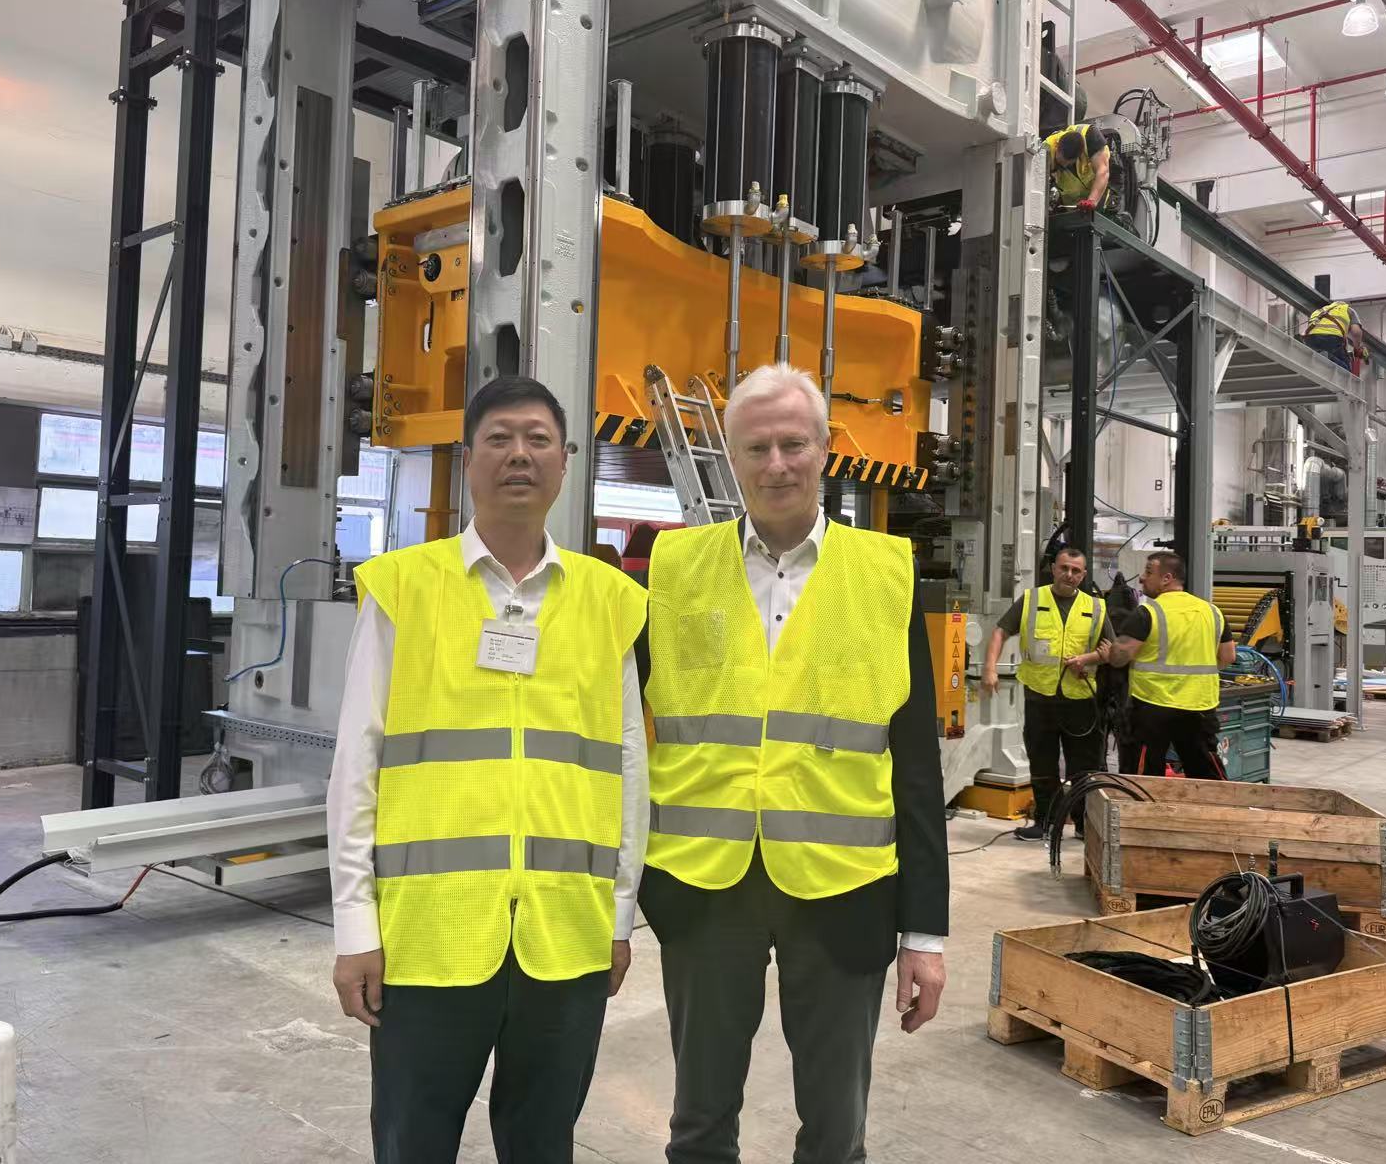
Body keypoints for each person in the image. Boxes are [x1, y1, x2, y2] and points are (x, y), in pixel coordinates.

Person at [327, 375, 649, 1164]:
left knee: (543, 1143)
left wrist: (618, 915)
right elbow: (357, 765)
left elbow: (628, 772)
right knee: (412, 1140)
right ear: (467, 458)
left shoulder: (609, 600)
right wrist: (355, 926)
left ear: (566, 462)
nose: (519, 455)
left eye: (538, 439)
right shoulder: (405, 588)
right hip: (429, 938)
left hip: (566, 936)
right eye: (499, 439)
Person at [638, 362, 948, 1164]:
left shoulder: (885, 574)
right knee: (698, 1126)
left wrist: (926, 932)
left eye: (793, 444)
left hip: (843, 890)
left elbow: (916, 765)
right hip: (705, 886)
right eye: (757, 448)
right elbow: (626, 738)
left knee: (836, 1133)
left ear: (824, 449)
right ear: (732, 456)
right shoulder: (673, 567)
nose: (776, 464)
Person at [980, 547, 1114, 841]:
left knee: (1083, 766)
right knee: (1042, 763)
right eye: (1064, 568)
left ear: (1083, 575)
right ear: (1053, 569)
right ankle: (1046, 822)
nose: (1069, 575)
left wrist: (1091, 658)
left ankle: (1084, 823)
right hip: (1040, 696)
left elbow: (1111, 651)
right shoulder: (1031, 599)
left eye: (1076, 571)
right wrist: (990, 668)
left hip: (1080, 699)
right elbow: (1001, 631)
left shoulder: (1095, 607)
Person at [1106, 550, 1235, 780]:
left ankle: (1144, 805)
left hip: (1152, 706)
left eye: (1148, 572)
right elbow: (1228, 656)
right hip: (1199, 706)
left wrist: (1110, 650)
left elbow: (1119, 658)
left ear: (1167, 578)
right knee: (1205, 773)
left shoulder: (1147, 613)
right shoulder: (1213, 612)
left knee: (1143, 777)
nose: (1142, 578)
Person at [1044, 123, 1111, 211]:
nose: (1064, 166)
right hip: (1072, 205)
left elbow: (1102, 171)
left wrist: (1092, 200)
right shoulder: (1045, 151)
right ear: (1057, 147)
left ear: (1078, 156)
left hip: (1098, 195)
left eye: (1068, 164)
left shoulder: (1091, 136)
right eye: (1060, 163)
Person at [1300, 299, 1355, 371]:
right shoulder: (1347, 310)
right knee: (1346, 368)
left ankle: (1322, 356)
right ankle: (1329, 357)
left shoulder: (1318, 311)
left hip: (1311, 339)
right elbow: (1357, 332)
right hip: (1331, 338)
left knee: (1317, 361)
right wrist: (1357, 349)